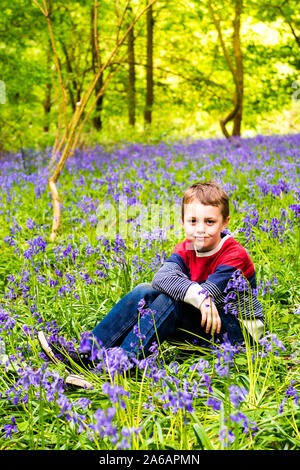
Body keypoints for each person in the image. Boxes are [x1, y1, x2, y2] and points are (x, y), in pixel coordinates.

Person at [38, 181, 265, 387]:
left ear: (225, 222)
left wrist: (200, 297)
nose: (200, 229)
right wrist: (199, 297)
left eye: (210, 222)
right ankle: (88, 354)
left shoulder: (234, 254)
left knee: (171, 300)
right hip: (205, 321)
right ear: (183, 221)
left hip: (240, 334)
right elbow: (161, 279)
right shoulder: (186, 248)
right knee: (145, 290)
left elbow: (209, 293)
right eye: (193, 221)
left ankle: (118, 367)